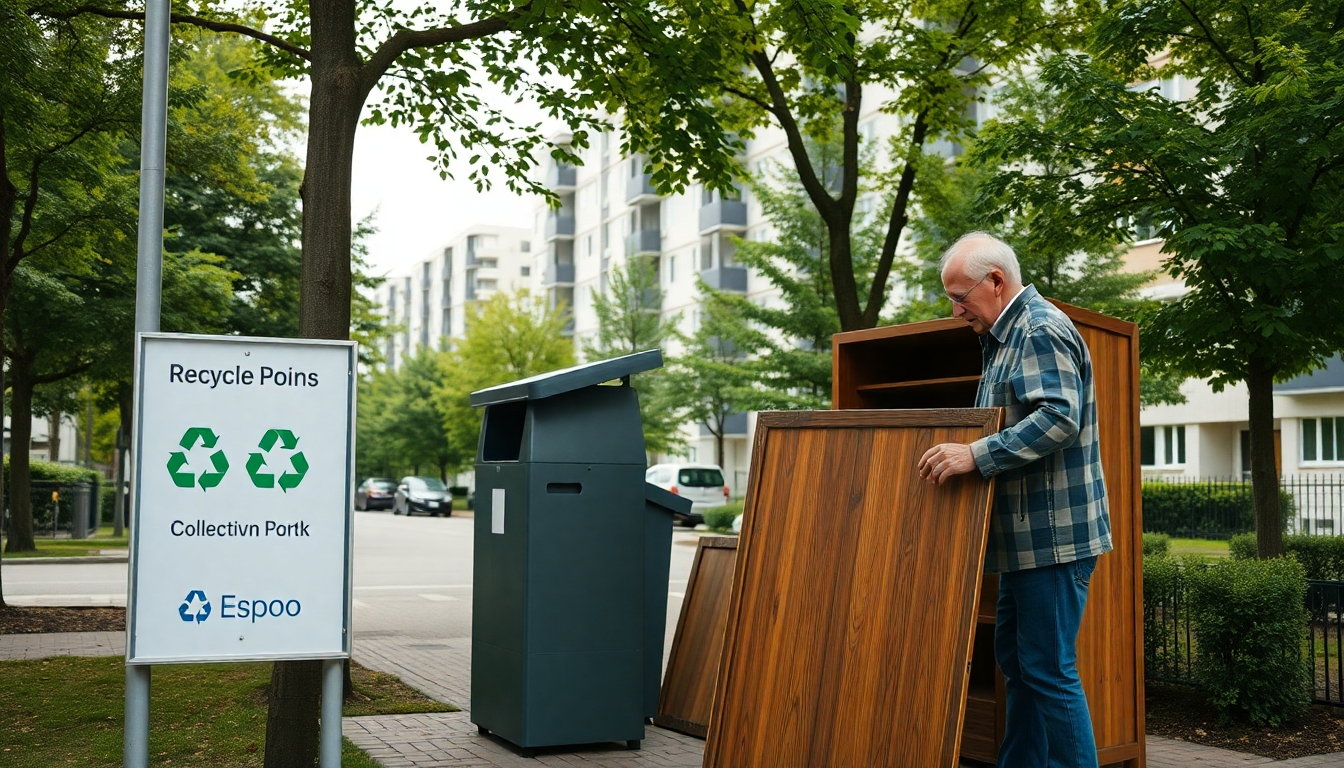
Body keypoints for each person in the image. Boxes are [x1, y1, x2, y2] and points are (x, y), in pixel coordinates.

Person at [917, 231, 1111, 768]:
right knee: (1022, 668)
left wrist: (975, 455)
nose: (956, 311)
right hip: (1027, 543)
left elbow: (1059, 417)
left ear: (996, 281)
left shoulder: (1037, 329)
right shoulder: (1008, 335)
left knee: (1047, 672)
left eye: (960, 297)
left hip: (1052, 541)